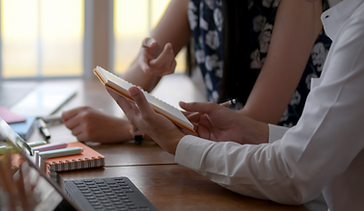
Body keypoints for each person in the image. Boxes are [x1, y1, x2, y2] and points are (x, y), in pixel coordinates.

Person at [108, 0, 364, 210]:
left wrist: (145, 134)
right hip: (265, 173)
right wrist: (147, 58)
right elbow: (309, 144)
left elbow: (293, 171)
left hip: (278, 185)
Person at [61, 0, 331, 143]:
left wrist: (129, 130)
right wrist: (148, 58)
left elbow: (251, 128)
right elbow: (131, 84)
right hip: (223, 162)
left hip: (289, 172)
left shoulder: (300, 3)